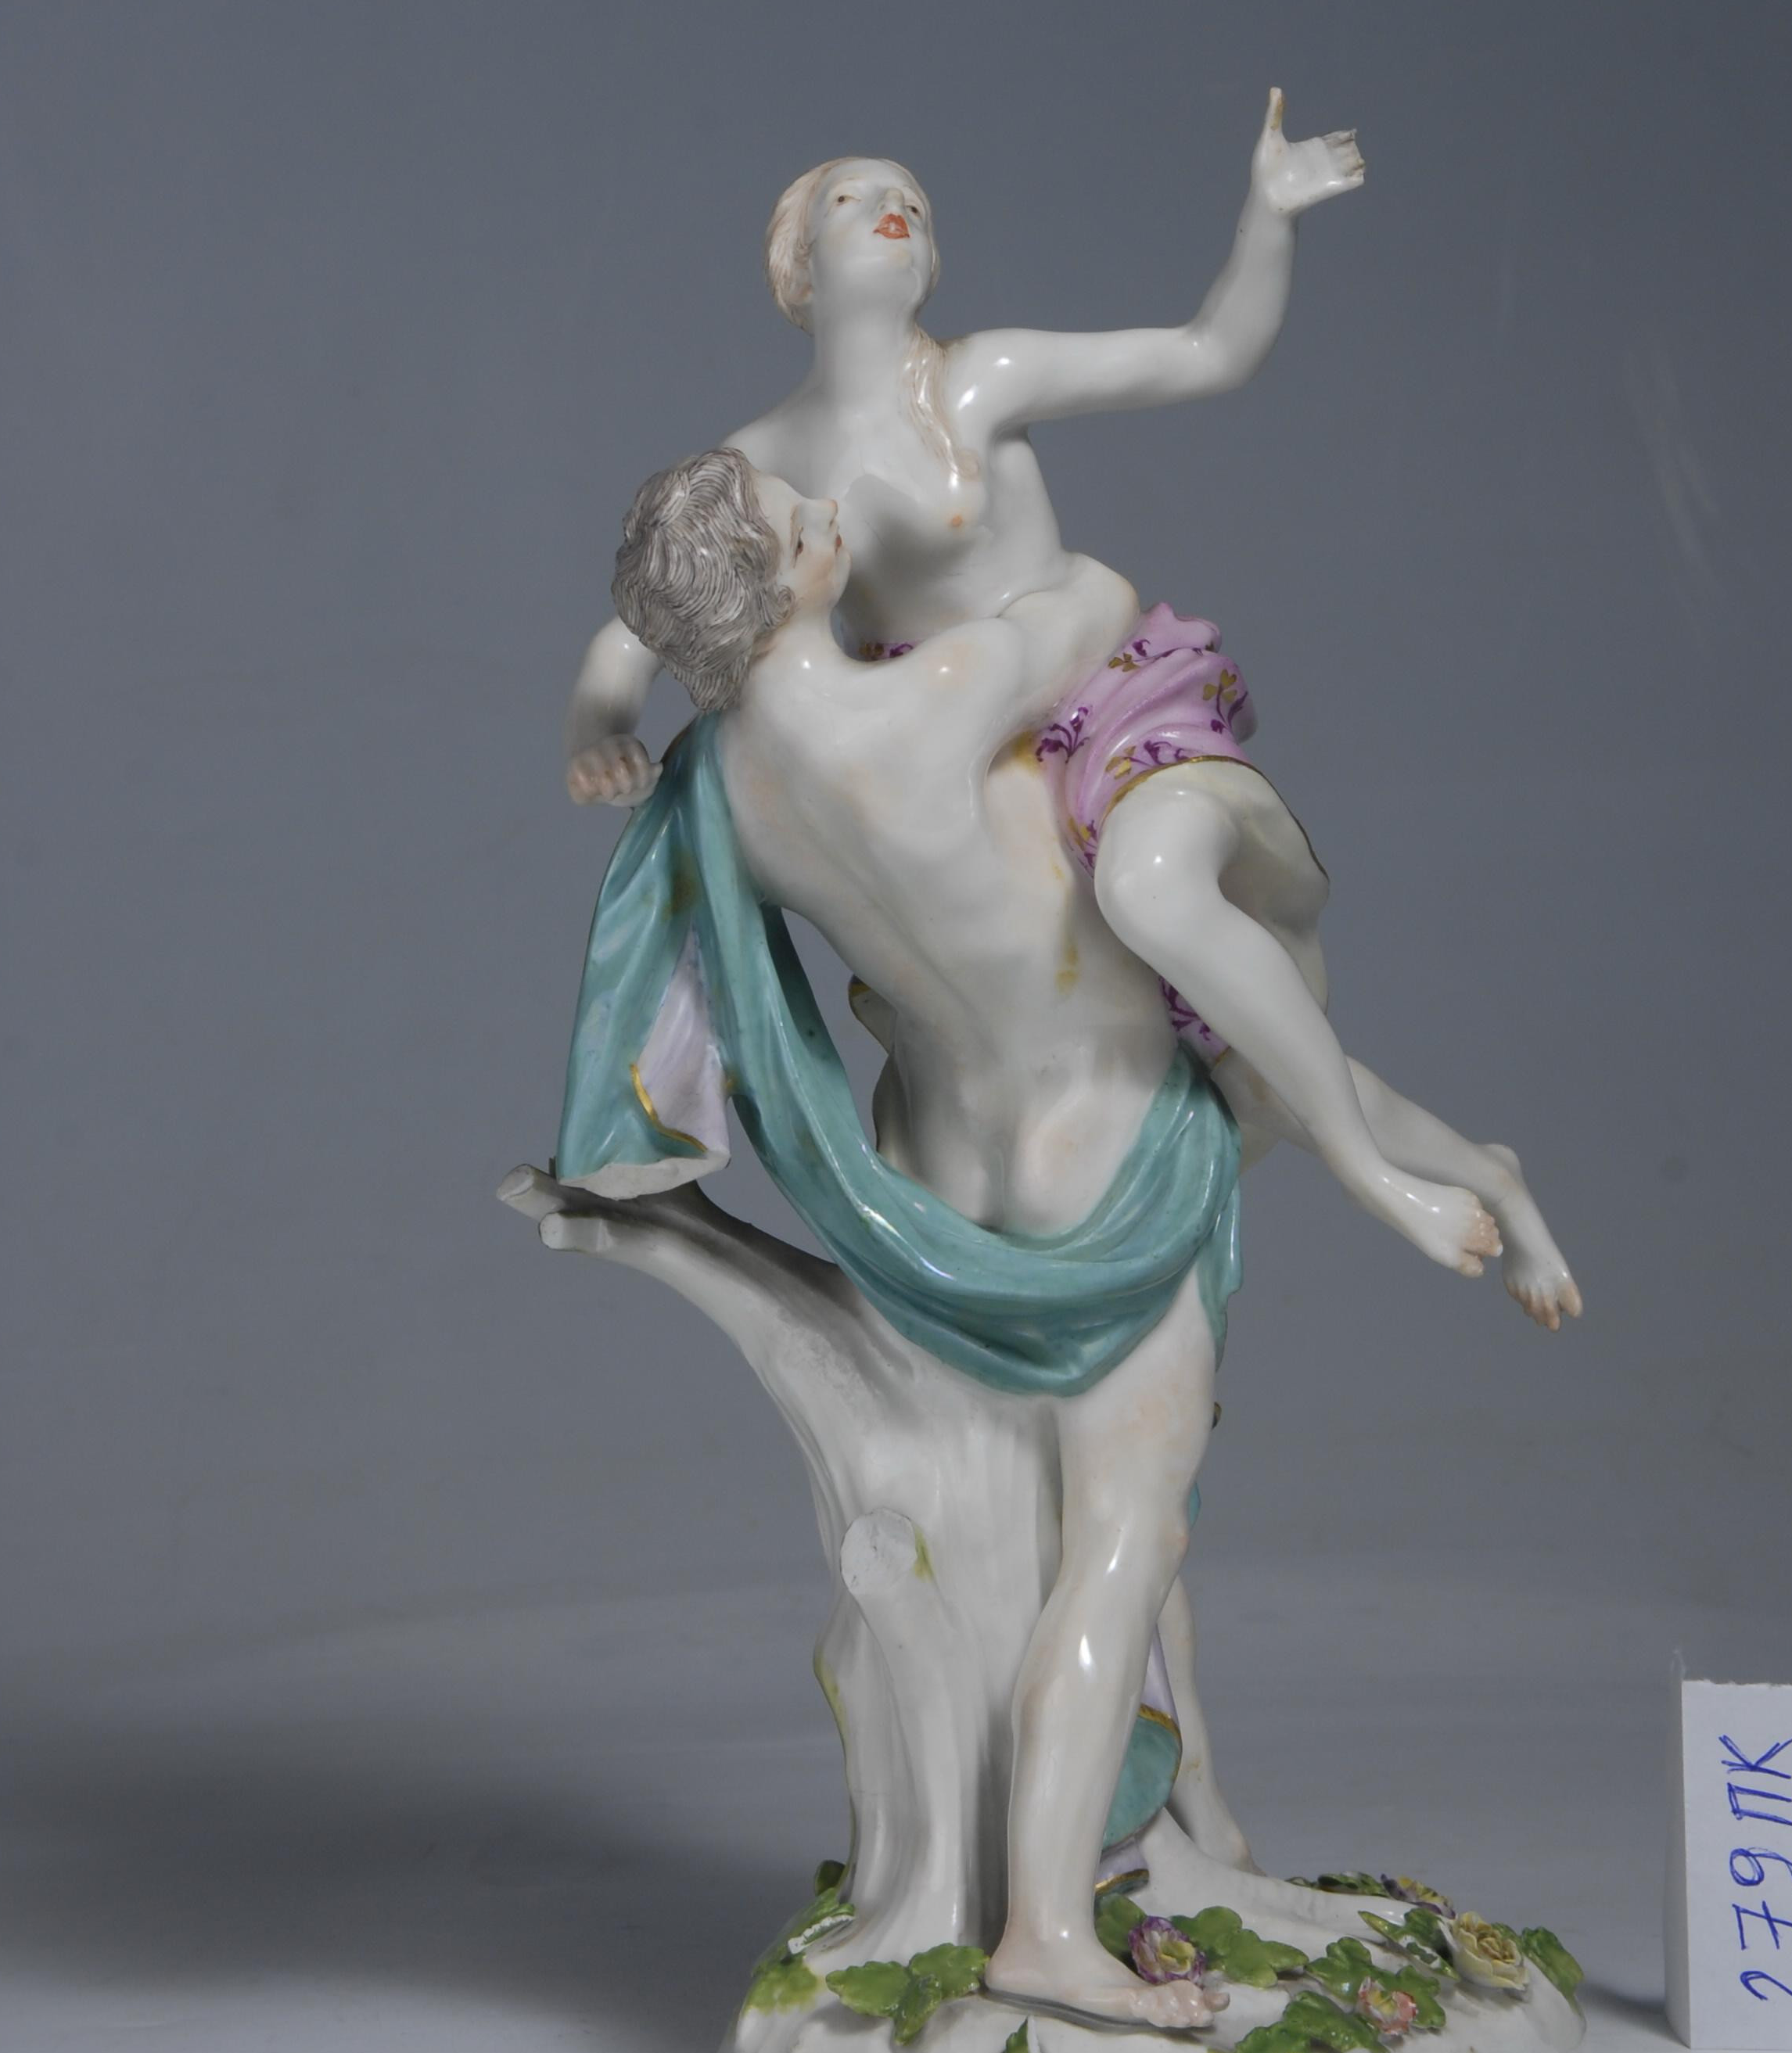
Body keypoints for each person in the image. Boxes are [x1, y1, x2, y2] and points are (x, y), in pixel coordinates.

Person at [588, 446, 1577, 2033]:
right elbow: (1097, 599)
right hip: (1100, 1132)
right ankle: (1046, 1925)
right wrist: (976, 542)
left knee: (1057, 1525)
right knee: (1125, 1537)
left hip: (943, 1162)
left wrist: (619, 688)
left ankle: (1178, 1836)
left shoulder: (724, 787)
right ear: (775, 585)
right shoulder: (929, 700)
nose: (834, 513)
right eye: (801, 517)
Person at [564, 116, 1579, 1319]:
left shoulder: (981, 378)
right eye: (855, 198)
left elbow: (1210, 351)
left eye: (915, 199)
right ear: (798, 264)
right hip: (946, 752)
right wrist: (602, 725)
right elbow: (652, 616)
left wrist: (1268, 215)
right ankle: (1481, 1172)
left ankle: (1371, 1171)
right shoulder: (765, 456)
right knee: (1100, 1036)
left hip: (1099, 699)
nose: (896, 207)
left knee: (1154, 894)